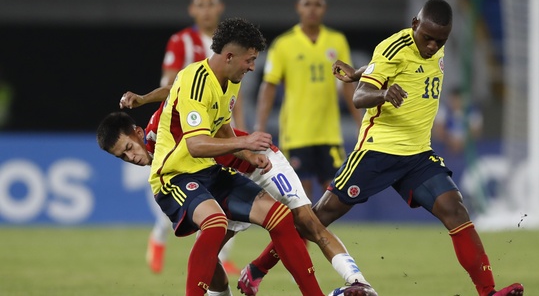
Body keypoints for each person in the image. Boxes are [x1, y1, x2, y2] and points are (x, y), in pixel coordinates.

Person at [311, 0, 524, 296]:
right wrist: (382, 92)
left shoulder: (435, 41)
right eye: (427, 38)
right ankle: (258, 269)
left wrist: (359, 71)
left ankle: (488, 293)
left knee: (456, 209)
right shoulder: (393, 46)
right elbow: (360, 97)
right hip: (377, 151)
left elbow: (389, 67)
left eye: (440, 40)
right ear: (414, 24)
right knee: (318, 217)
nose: (432, 46)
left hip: (417, 154)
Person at [102, 17, 323, 296]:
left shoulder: (229, 79)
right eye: (250, 60)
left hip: (207, 170)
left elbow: (218, 124)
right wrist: (246, 141)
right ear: (230, 56)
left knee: (279, 217)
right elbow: (195, 144)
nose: (252, 66)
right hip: (174, 175)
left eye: (254, 59)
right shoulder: (195, 82)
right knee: (215, 223)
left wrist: (245, 154)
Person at [119, 86, 376, 296]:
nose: (130, 157)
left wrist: (143, 98)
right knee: (207, 254)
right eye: (122, 156)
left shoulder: (159, 127)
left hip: (259, 162)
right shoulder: (164, 168)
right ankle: (252, 274)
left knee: (306, 221)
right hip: (228, 181)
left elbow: (176, 90)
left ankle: (358, 281)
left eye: (129, 148)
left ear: (138, 133)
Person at [150, 0, 241, 275]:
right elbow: (169, 86)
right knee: (181, 189)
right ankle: (159, 237)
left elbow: (231, 96)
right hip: (183, 131)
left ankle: (221, 256)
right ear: (192, 10)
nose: (206, 11)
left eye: (211, 5)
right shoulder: (181, 41)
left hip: (216, 127)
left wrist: (240, 131)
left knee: (217, 195)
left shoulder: (229, 45)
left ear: (220, 8)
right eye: (200, 5)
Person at [255, 0, 361, 202]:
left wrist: (361, 122)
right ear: (298, 7)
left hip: (329, 132)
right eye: (307, 4)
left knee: (335, 197)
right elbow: (269, 86)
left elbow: (348, 85)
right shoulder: (284, 44)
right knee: (301, 198)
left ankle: (323, 237)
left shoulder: (337, 41)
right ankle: (302, 238)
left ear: (325, 8)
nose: (312, 9)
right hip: (297, 134)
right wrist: (260, 127)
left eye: (318, 4)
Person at [433, 86, 483, 155]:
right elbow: (438, 130)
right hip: (445, 147)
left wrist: (462, 143)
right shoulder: (443, 110)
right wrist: (450, 142)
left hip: (466, 147)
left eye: (459, 99)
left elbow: (476, 132)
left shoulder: (472, 111)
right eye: (454, 100)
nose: (456, 102)